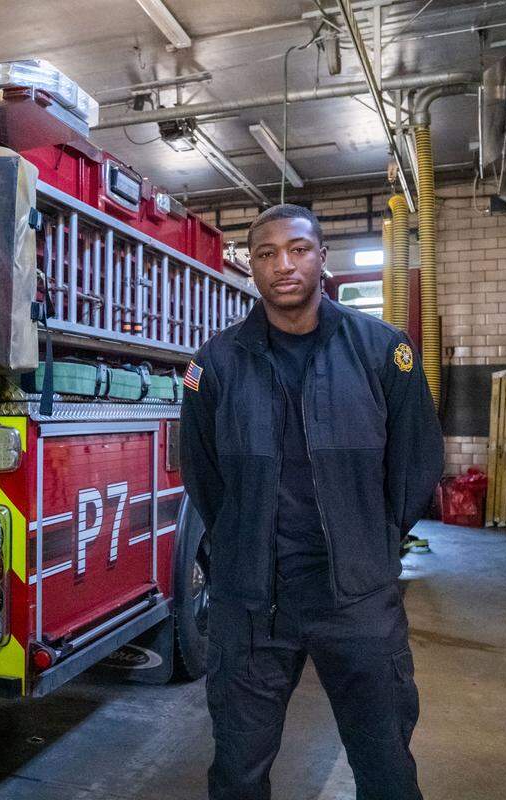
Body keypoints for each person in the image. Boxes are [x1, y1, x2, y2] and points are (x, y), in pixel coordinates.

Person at [179, 203, 443, 800]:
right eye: (267, 254)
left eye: (298, 249)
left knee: (385, 765)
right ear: (252, 267)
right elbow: (203, 473)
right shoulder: (213, 364)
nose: (284, 265)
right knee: (238, 771)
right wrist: (242, 544)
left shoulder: (382, 351)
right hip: (252, 605)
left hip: (356, 599)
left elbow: (415, 464)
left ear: (322, 257)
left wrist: (371, 540)